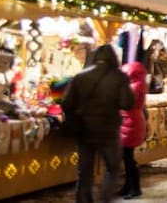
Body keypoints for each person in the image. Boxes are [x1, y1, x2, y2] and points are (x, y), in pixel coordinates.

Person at [62, 44, 134, 203]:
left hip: (84, 130)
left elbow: (66, 103)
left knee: (84, 172)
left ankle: (83, 200)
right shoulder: (119, 77)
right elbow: (127, 103)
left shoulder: (80, 76)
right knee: (113, 168)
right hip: (108, 130)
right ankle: (104, 198)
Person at [119, 60, 148, 199]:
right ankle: (128, 185)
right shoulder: (138, 85)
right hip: (131, 122)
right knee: (127, 157)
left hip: (130, 123)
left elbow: (124, 103)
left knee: (128, 157)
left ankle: (134, 188)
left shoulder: (133, 87)